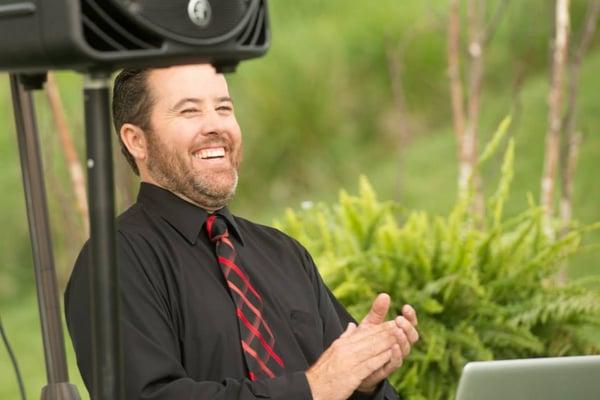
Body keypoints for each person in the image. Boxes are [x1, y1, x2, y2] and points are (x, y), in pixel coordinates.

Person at [65, 64, 419, 400]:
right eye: (190, 111)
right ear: (136, 141)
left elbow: (333, 382)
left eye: (223, 108)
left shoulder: (284, 253)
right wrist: (310, 389)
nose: (215, 126)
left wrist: (365, 381)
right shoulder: (113, 263)